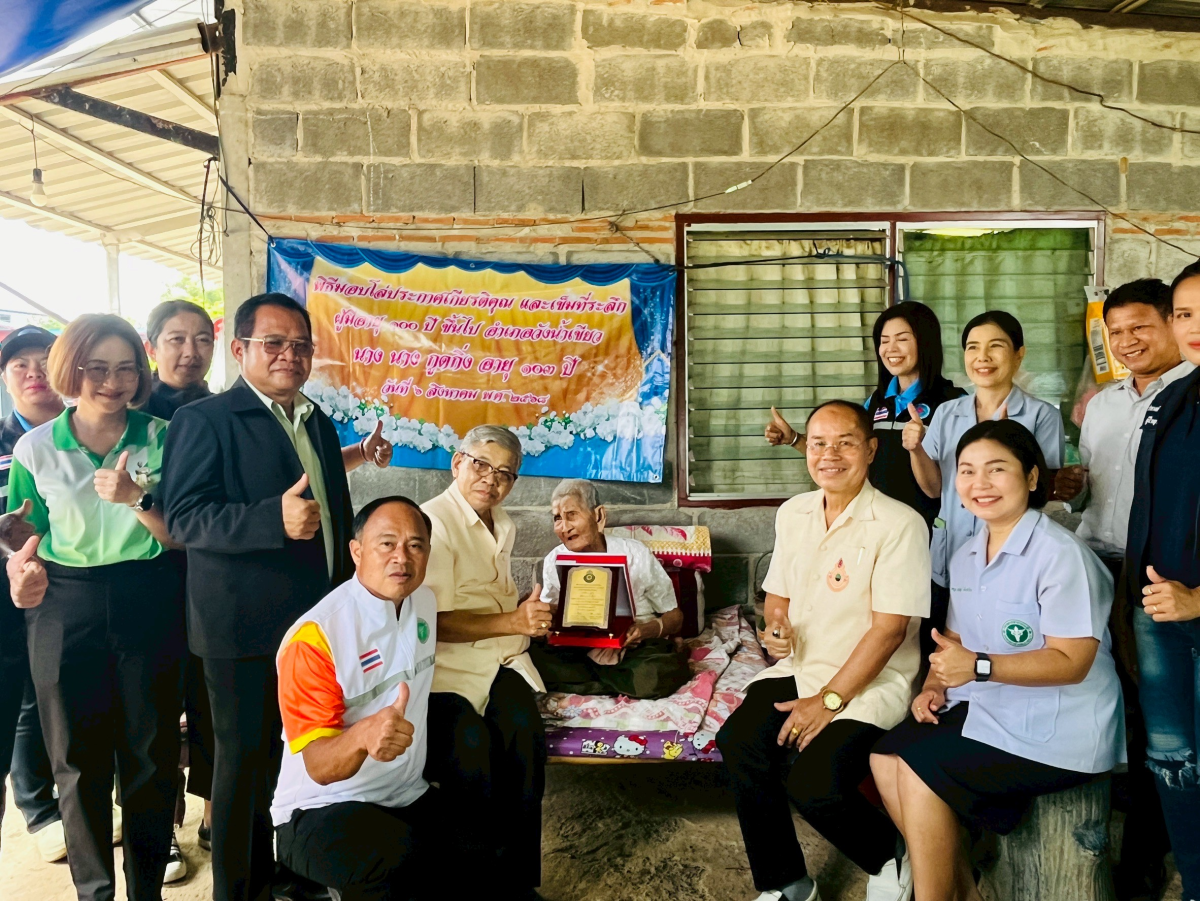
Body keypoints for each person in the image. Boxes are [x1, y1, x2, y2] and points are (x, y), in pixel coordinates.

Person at [871, 419, 1123, 901]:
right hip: (995, 706)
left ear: (1031, 478)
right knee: (884, 756)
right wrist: (934, 685)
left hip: (1061, 724)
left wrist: (979, 667)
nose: (979, 484)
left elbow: (1072, 661)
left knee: (921, 767)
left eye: (996, 469)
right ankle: (963, 890)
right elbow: (955, 640)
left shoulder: (1059, 555)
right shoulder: (968, 554)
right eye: (966, 471)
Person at [162, 292, 355, 901]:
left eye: (300, 346)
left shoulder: (316, 421)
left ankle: (288, 872)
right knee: (243, 767)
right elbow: (184, 519)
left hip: (312, 625)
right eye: (274, 344)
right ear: (241, 349)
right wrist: (272, 520)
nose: (289, 356)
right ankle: (239, 890)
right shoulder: (206, 420)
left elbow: (337, 514)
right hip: (241, 630)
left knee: (298, 756)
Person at [717, 400, 931, 901]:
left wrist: (829, 702)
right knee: (740, 742)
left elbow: (889, 632)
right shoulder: (795, 513)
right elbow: (778, 598)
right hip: (802, 667)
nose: (829, 455)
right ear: (805, 450)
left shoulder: (900, 524)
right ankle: (786, 882)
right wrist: (776, 630)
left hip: (872, 680)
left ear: (871, 449)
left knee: (815, 783)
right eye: (818, 443)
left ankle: (890, 854)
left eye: (845, 442)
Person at [6, 314, 185, 901]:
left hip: (147, 594)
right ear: (71, 371)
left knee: (151, 757)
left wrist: (138, 497)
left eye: (126, 368)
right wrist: (20, 571)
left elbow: (181, 534)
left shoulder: (163, 436)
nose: (114, 381)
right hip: (64, 604)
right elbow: (23, 536)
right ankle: (95, 892)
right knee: (76, 763)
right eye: (97, 368)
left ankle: (147, 890)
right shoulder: (36, 448)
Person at [1053, 278, 1185, 901]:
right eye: (1117, 332)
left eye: (1142, 327)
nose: (1128, 341)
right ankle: (1104, 830)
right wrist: (1067, 487)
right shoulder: (1102, 405)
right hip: (1096, 562)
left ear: (1171, 325)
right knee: (1103, 701)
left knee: (1156, 719)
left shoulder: (1185, 398)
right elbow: (1092, 494)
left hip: (1154, 572)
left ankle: (1147, 852)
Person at [271, 496, 440, 901]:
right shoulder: (316, 636)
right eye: (387, 543)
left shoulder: (424, 603)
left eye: (415, 545)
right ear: (356, 550)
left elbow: (446, 627)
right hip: (320, 809)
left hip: (404, 794)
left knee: (485, 861)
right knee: (397, 862)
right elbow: (320, 766)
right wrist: (364, 734)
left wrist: (510, 621)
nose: (402, 556)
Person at [421, 425, 548, 899]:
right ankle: (472, 884)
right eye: (480, 465)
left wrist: (526, 621)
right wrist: (515, 620)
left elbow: (501, 605)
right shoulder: (432, 522)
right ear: (457, 463)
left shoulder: (502, 521)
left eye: (504, 474)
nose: (490, 480)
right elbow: (435, 623)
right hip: (446, 669)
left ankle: (517, 883)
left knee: (526, 738)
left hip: (500, 660)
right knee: (470, 753)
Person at [904, 310, 1064, 649]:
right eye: (972, 348)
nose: (983, 357)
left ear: (1019, 354)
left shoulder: (1042, 416)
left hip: (1012, 552)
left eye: (996, 346)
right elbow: (934, 488)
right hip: (951, 551)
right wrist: (916, 449)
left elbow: (1041, 492)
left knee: (1002, 641)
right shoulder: (947, 413)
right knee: (945, 641)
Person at [1123, 260, 1200, 901]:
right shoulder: (1171, 400)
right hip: (1158, 617)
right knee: (1173, 765)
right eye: (1185, 313)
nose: (1193, 326)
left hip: (1194, 610)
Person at [765, 301, 965, 529]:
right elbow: (848, 456)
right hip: (874, 527)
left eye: (902, 339)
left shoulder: (953, 403)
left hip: (927, 530)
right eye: (884, 341)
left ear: (925, 343)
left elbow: (942, 488)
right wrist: (794, 439)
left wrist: (917, 447)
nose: (891, 349)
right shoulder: (876, 402)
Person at [0, 326, 67, 863]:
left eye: (43, 359)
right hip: (10, 600)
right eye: (19, 364)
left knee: (71, 691)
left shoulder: (87, 436)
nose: (33, 372)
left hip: (74, 593)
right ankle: (39, 809)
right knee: (24, 696)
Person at [527, 478, 689, 700]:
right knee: (530, 660)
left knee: (652, 674)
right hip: (580, 648)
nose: (564, 527)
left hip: (635, 650)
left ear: (599, 515)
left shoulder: (635, 553)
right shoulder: (554, 560)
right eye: (557, 519)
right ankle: (618, 682)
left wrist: (646, 630)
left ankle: (597, 680)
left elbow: (675, 618)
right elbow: (550, 616)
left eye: (572, 515)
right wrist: (541, 619)